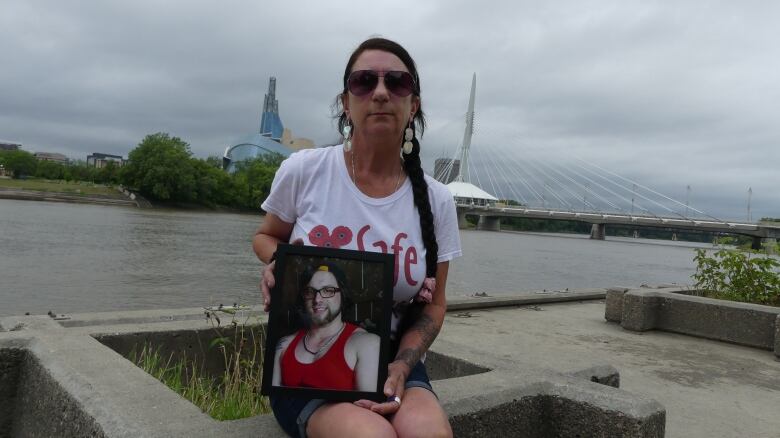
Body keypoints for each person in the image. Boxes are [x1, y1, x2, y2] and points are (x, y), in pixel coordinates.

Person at [253, 37, 461, 438]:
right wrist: (277, 261)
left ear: (412, 104)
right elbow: (265, 236)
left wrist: (403, 365)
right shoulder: (304, 170)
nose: (381, 92)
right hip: (308, 368)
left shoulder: (436, 200)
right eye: (364, 81)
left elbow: (434, 305)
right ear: (346, 102)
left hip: (394, 362)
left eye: (397, 82)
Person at [272, 263, 380, 392]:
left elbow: (368, 406)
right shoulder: (284, 345)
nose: (317, 299)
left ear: (343, 294)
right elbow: (276, 401)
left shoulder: (367, 344)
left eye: (328, 291)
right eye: (310, 292)